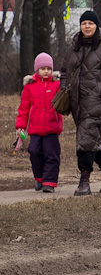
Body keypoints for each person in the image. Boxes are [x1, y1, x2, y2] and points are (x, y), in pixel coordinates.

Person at [62, 9, 101, 196]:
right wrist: (64, 89)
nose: (87, 26)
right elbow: (64, 71)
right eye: (84, 23)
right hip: (77, 103)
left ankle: (84, 181)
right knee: (92, 141)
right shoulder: (74, 46)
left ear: (96, 26)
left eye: (90, 23)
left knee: (85, 141)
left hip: (97, 103)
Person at [15, 53, 64, 193]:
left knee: (51, 154)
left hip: (52, 128)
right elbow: (24, 108)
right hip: (35, 129)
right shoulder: (30, 87)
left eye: (49, 68)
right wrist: (20, 126)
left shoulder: (57, 84)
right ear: (37, 70)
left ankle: (49, 182)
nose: (46, 71)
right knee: (34, 152)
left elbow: (65, 98)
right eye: (43, 68)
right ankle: (39, 179)